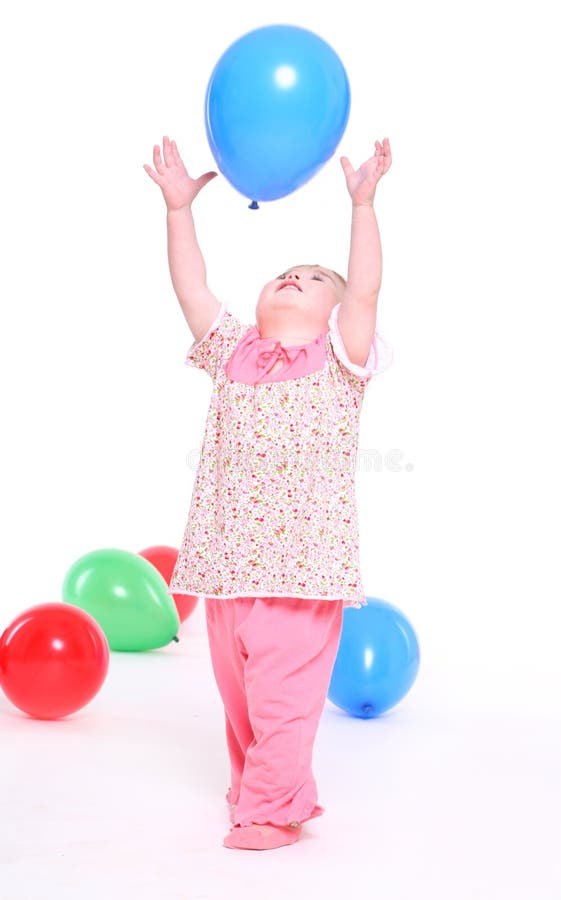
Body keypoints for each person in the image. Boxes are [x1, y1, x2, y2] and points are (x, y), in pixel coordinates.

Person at [143, 135, 393, 851]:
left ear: (336, 315)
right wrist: (179, 212)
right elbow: (191, 289)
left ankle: (273, 810)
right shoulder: (234, 351)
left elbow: (364, 290)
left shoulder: (339, 359)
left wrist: (363, 205)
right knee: (242, 700)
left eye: (313, 279)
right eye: (285, 273)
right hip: (227, 568)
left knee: (283, 698)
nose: (293, 278)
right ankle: (253, 787)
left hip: (300, 571)